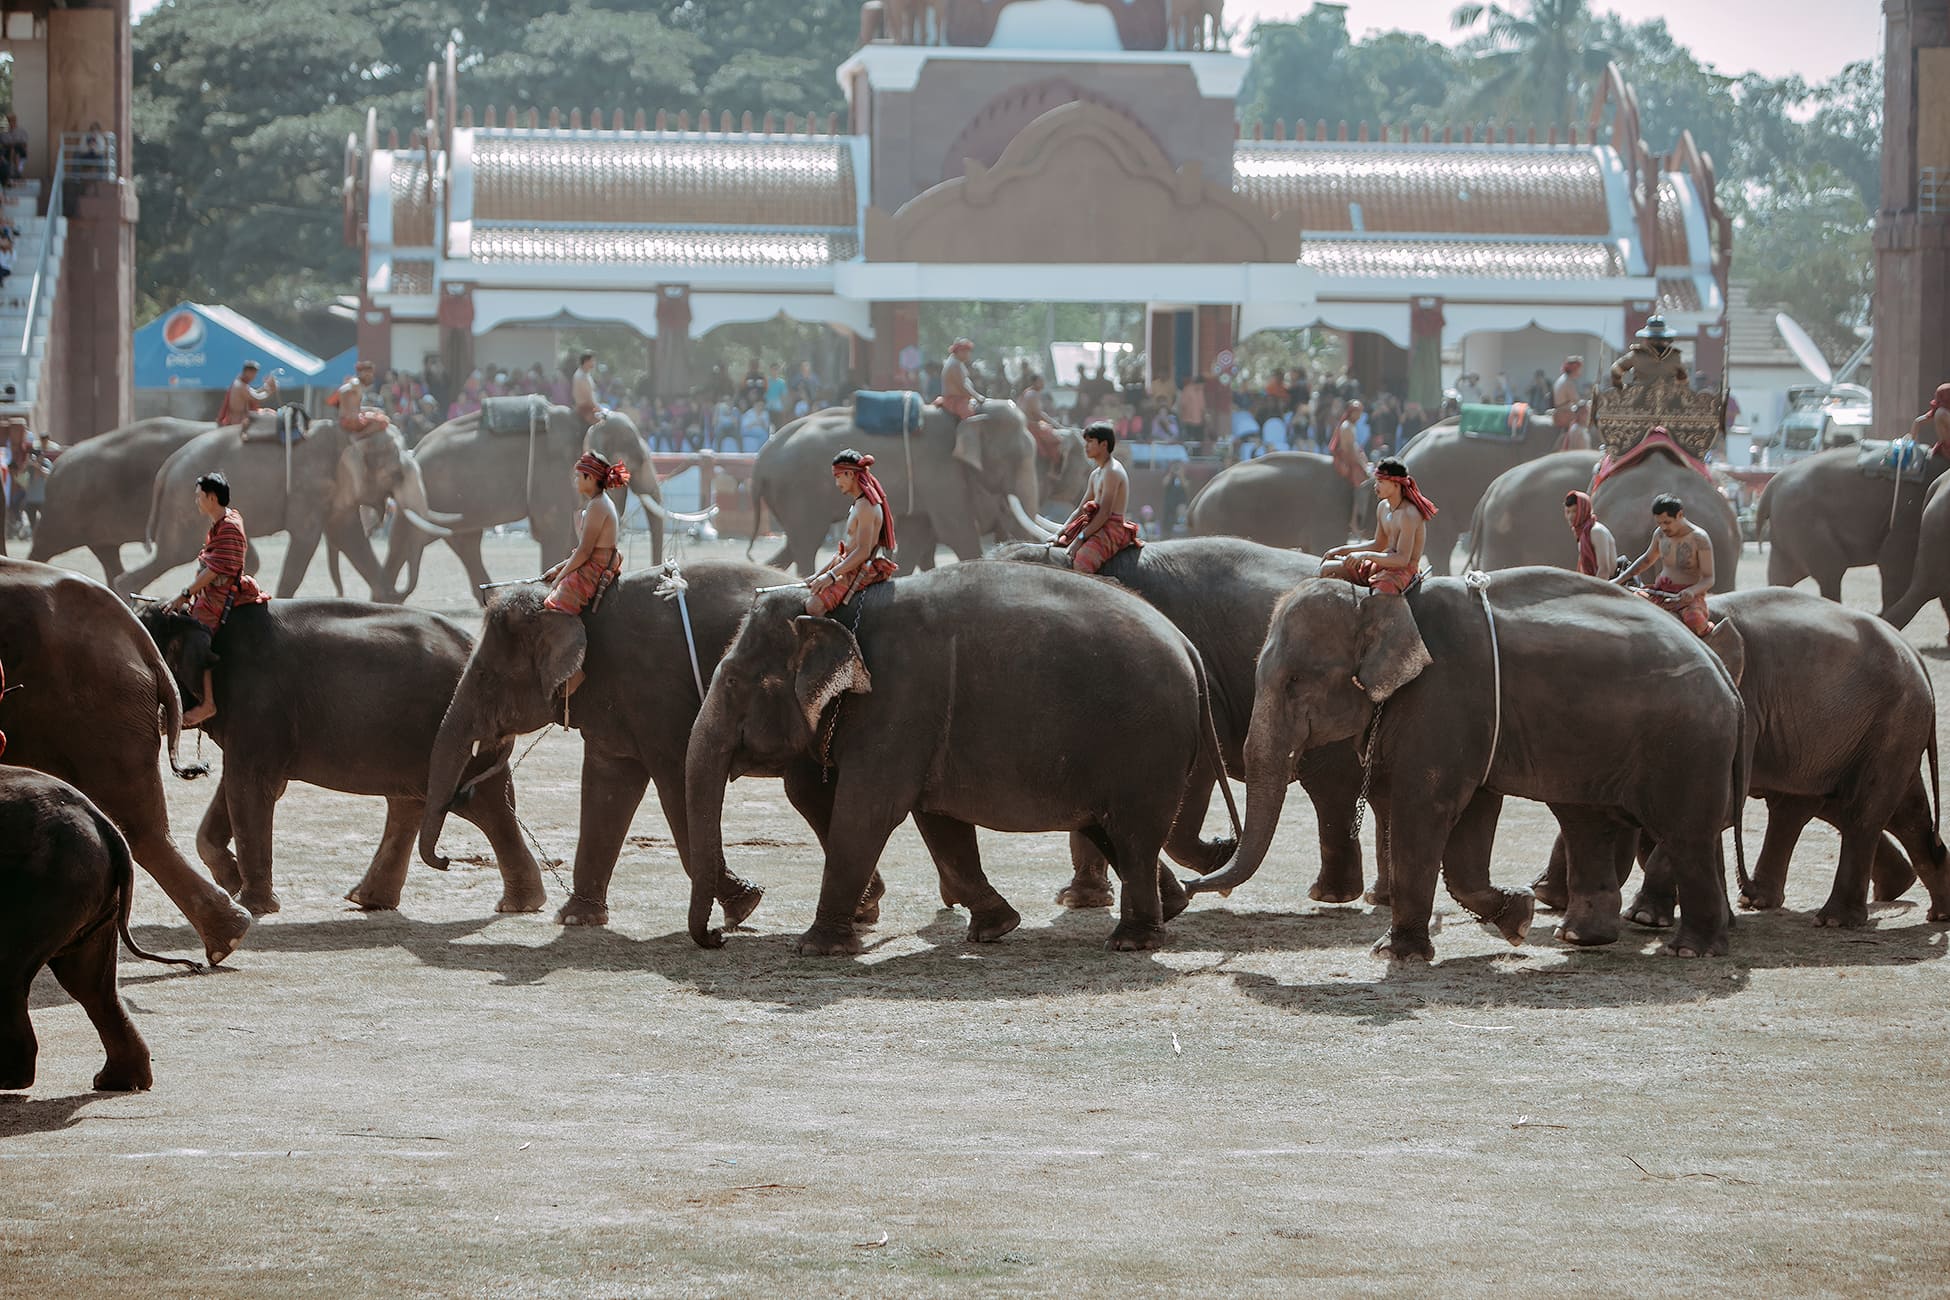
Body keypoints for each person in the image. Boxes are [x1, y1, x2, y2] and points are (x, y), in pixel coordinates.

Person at [165, 472, 269, 727]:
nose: (196, 501)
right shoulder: (223, 521)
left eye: (199, 496)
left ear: (211, 498)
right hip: (210, 590)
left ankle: (207, 703)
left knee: (196, 634)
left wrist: (184, 594)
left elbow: (216, 570)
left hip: (220, 596)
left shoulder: (230, 527)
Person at [1321, 457, 1436, 595]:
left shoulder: (1409, 514)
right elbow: (1378, 544)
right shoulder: (1383, 507)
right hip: (1383, 562)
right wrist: (1341, 550)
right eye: (1376, 481)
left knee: (1379, 596)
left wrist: (1365, 555)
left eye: (1380, 482)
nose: (1376, 486)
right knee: (1327, 569)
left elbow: (1402, 559)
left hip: (1404, 569)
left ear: (1396, 484)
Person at [805, 449, 898, 616]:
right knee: (810, 587)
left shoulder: (866, 507)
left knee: (814, 606)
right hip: (848, 563)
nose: (837, 483)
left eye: (839, 477)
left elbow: (863, 552)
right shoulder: (858, 503)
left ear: (850, 474)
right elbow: (846, 551)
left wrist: (831, 576)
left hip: (859, 568)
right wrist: (818, 575)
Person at [1616, 494, 1714, 636]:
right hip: (1660, 592)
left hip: (1687, 598)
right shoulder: (1660, 534)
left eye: (1667, 522)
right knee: (1629, 607)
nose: (1663, 527)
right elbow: (1646, 560)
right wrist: (1620, 579)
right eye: (1659, 523)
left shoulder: (1699, 538)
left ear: (1679, 515)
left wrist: (1691, 591)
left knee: (1695, 620)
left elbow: (1708, 578)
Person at [1052, 423, 1141, 575]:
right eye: (1086, 442)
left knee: (1082, 563)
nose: (1086, 446)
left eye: (1090, 442)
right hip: (1094, 525)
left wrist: (1080, 538)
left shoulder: (1112, 471)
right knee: (1058, 545)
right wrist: (1060, 531)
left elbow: (1105, 514)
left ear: (1104, 444)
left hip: (1111, 529)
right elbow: (1081, 509)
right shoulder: (1096, 474)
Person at [1611, 316, 1689, 390]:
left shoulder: (1637, 354)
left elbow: (1615, 369)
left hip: (1645, 398)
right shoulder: (1675, 356)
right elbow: (1683, 380)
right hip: (1653, 397)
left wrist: (1620, 386)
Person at [1563, 490, 1618, 578]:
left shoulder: (1596, 531)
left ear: (1583, 510)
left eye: (1574, 511)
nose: (1570, 516)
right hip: (1594, 583)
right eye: (1568, 512)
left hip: (1608, 584)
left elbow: (1604, 570)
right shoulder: (1582, 534)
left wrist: (1593, 590)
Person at [327, 360, 390, 436]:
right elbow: (353, 385)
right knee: (384, 421)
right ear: (363, 373)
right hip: (352, 421)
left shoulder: (353, 384)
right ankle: (359, 436)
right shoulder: (356, 383)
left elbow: (355, 408)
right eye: (369, 373)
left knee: (377, 413)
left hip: (345, 419)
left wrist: (372, 409)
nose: (371, 376)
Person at [217, 361, 278, 430]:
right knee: (269, 416)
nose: (254, 376)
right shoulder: (240, 386)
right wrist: (270, 391)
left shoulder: (241, 383)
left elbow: (254, 392)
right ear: (247, 372)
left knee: (269, 412)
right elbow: (257, 398)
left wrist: (265, 387)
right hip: (239, 420)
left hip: (243, 416)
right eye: (253, 374)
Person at [932, 338, 981, 420]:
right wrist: (977, 396)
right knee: (969, 416)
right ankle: (966, 432)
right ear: (959, 352)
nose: (968, 354)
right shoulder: (954, 364)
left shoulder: (957, 362)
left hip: (961, 398)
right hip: (955, 400)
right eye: (966, 352)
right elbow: (962, 386)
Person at [570, 351, 606, 426]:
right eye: (592, 361)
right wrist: (597, 408)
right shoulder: (581, 376)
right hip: (586, 408)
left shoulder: (585, 374)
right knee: (603, 424)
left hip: (590, 406)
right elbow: (588, 397)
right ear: (586, 362)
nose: (594, 363)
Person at [1175, 374, 1207, 451]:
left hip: (1199, 420)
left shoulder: (1201, 391)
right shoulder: (1187, 390)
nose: (1202, 387)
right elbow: (1182, 405)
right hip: (1188, 420)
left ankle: (1198, 455)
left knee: (1199, 440)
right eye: (1202, 385)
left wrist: (1205, 417)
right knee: (1188, 439)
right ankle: (1187, 455)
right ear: (1198, 383)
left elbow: (1202, 405)